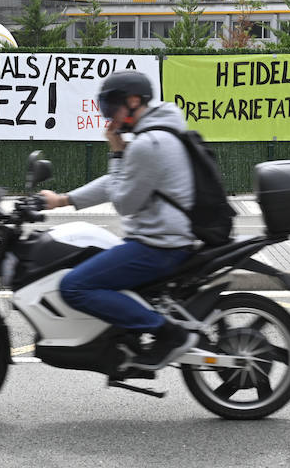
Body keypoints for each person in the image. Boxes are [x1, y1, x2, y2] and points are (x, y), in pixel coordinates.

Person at [39, 69, 198, 370]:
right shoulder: (158, 133)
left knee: (74, 286)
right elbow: (121, 183)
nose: (108, 116)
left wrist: (116, 152)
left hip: (159, 246)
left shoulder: (147, 144)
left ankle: (168, 333)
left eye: (112, 107)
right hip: (164, 238)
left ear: (135, 101)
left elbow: (124, 201)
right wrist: (63, 200)